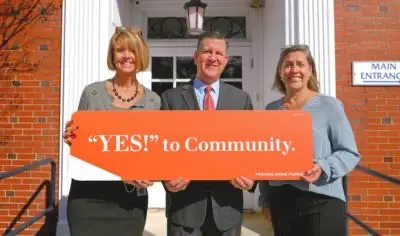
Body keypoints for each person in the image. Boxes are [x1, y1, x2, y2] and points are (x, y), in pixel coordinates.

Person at [62, 26, 160, 236]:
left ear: (140, 55)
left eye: (132, 50)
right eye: (120, 50)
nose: (126, 56)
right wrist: (72, 138)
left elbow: (154, 151)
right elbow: (82, 145)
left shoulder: (154, 101)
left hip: (130, 202)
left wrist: (152, 173)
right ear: (112, 55)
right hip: (88, 198)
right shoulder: (92, 93)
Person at [160, 31, 257, 236]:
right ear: (196, 57)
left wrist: (252, 178)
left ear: (226, 60)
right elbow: (160, 148)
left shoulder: (241, 100)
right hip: (184, 210)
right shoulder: (171, 98)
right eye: (207, 52)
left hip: (227, 210)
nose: (213, 58)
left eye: (219, 53)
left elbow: (253, 146)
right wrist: (165, 178)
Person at [258, 44, 361, 236]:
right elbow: (266, 157)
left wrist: (322, 166)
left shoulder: (329, 106)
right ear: (280, 72)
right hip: (282, 201)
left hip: (322, 199)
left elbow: (349, 153)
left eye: (300, 64)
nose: (294, 70)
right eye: (288, 65)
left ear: (310, 70)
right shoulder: (271, 110)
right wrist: (265, 200)